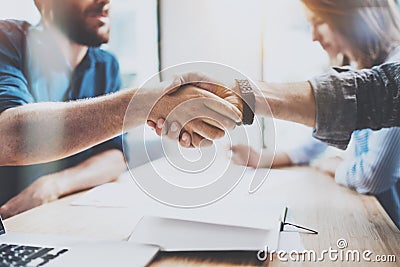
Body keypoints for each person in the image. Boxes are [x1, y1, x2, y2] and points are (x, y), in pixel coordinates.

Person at [0, 0, 243, 218]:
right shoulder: (7, 41)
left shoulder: (106, 65)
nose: (106, 2)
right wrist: (149, 103)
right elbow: (10, 135)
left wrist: (53, 185)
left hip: (61, 217)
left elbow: (114, 158)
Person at [229, 0, 400, 229]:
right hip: (369, 218)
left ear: (351, 16)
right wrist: (262, 158)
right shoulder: (357, 69)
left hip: (390, 226)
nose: (313, 37)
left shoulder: (393, 73)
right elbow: (319, 136)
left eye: (319, 22)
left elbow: (373, 176)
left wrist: (334, 167)